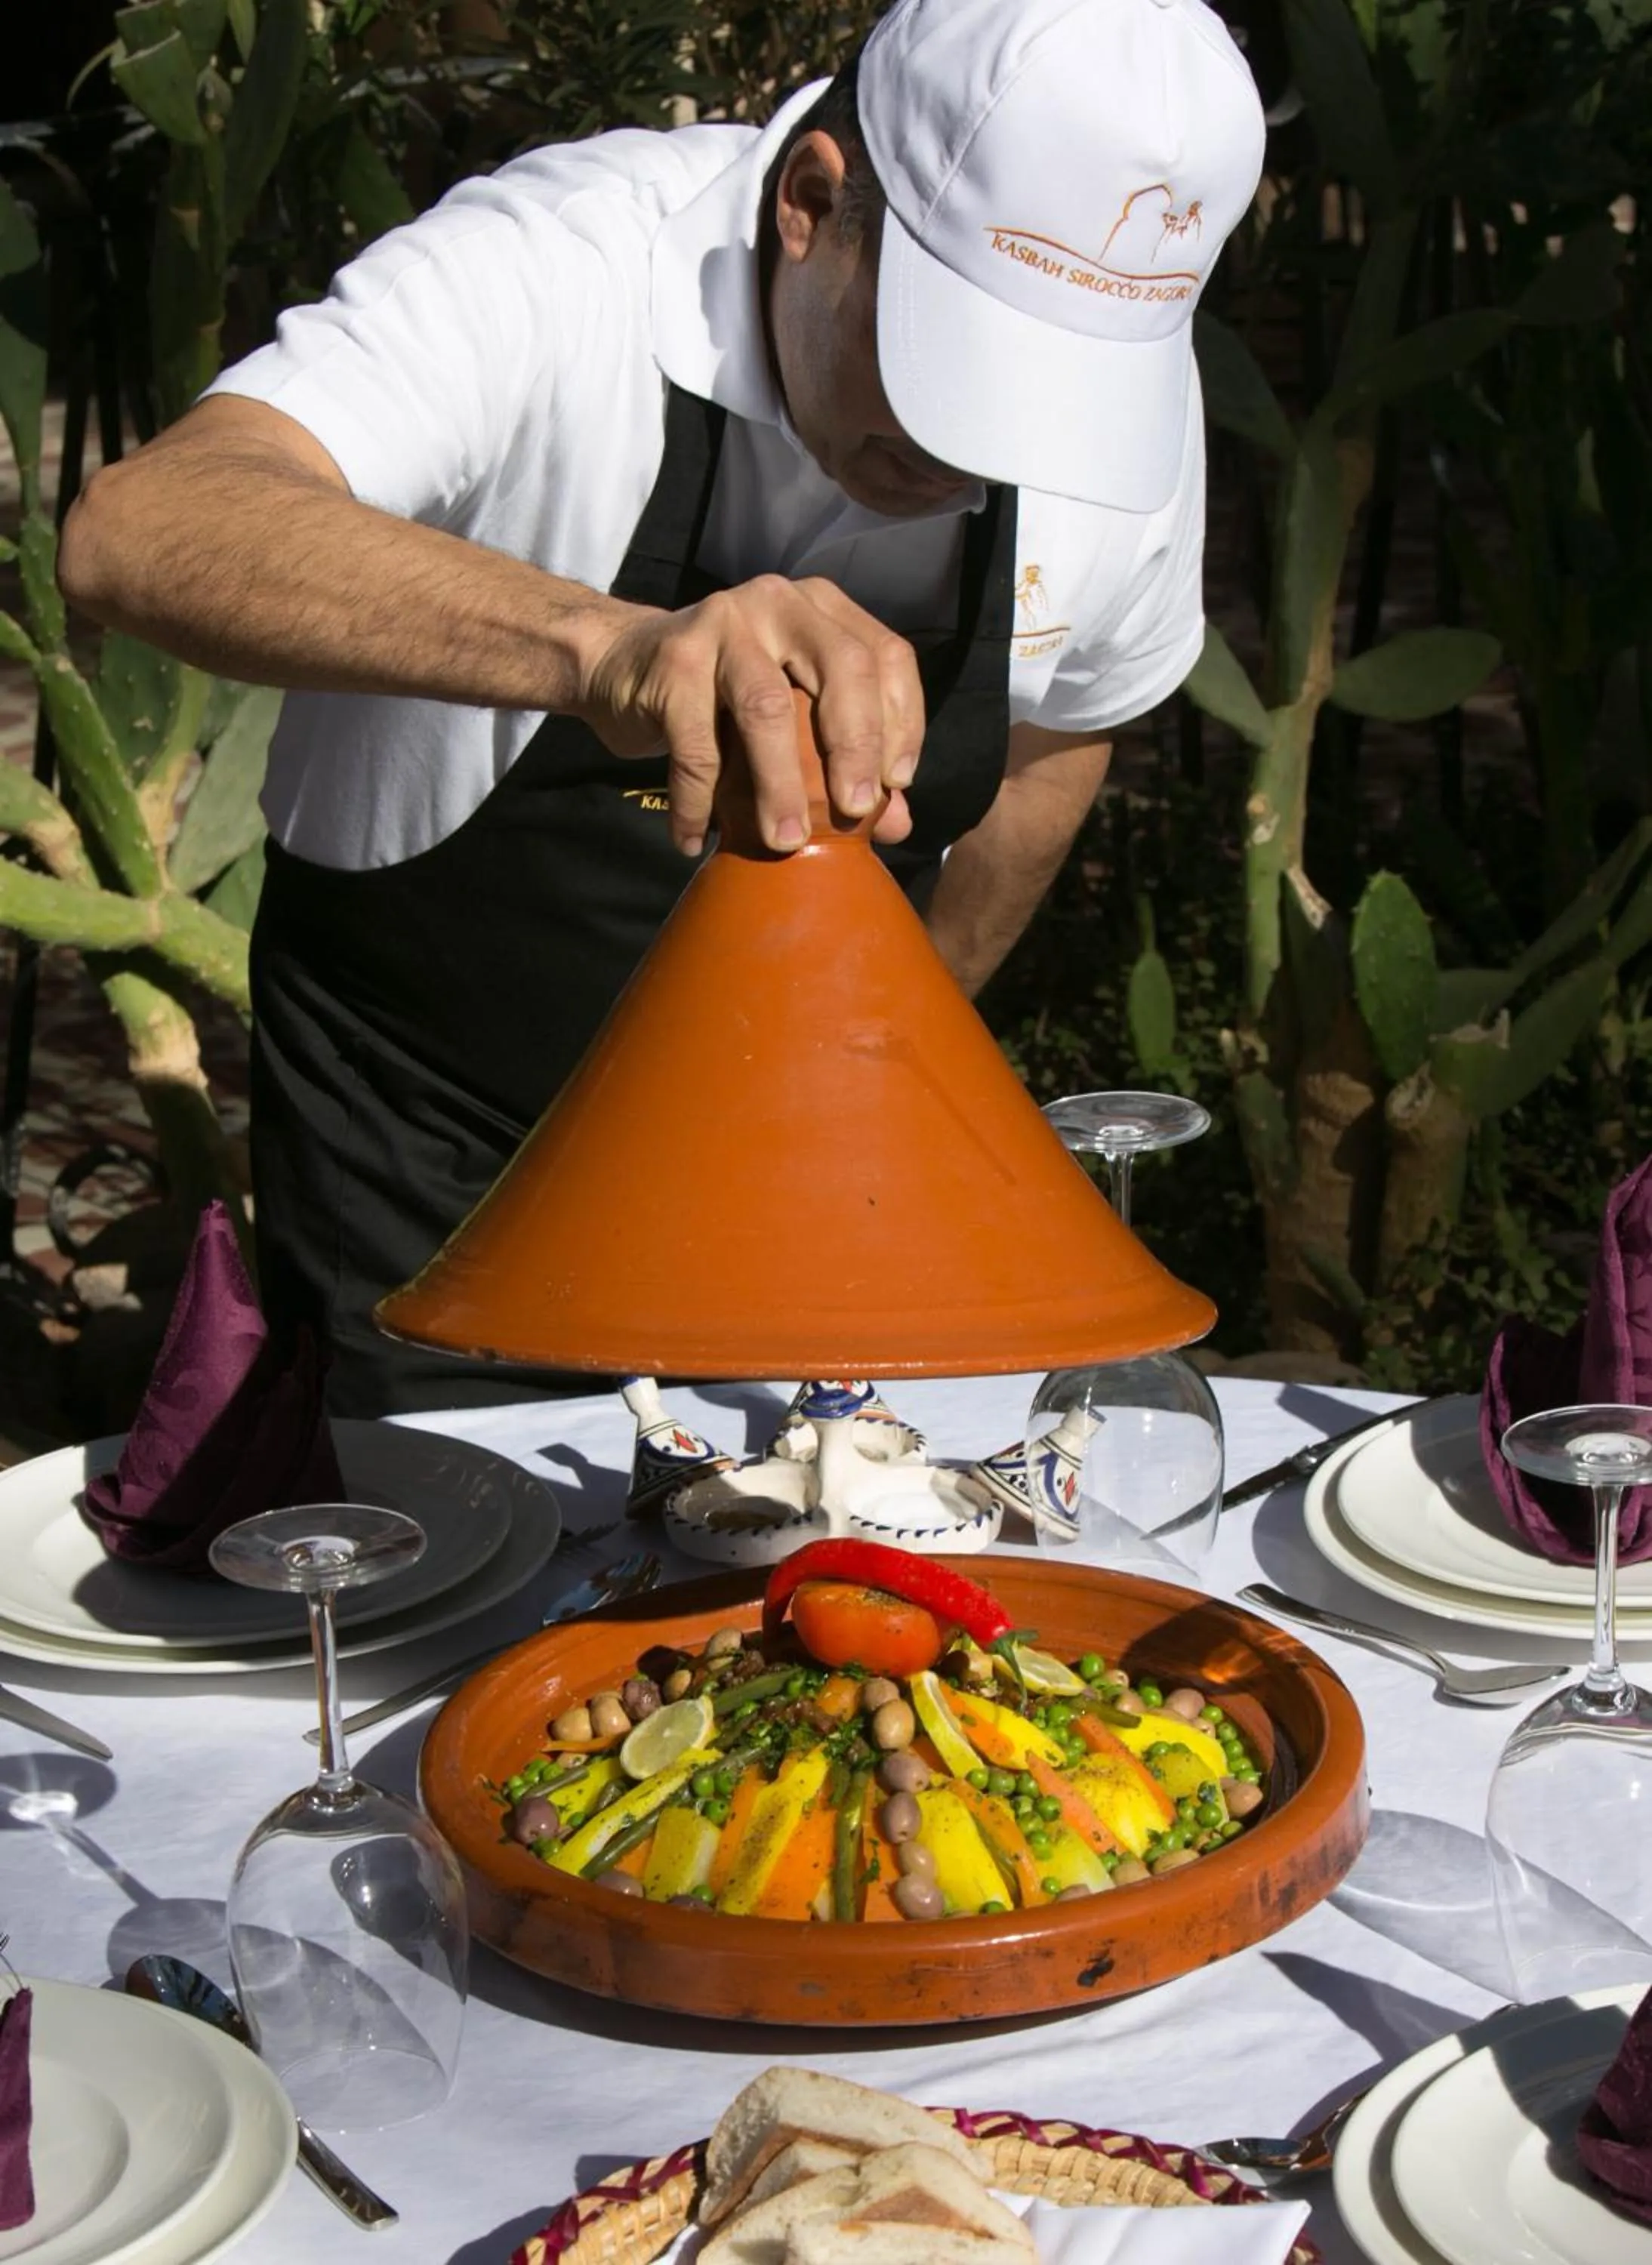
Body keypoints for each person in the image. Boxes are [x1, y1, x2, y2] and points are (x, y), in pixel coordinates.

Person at [58, 0, 1265, 1416]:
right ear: (816, 203)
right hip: (441, 1144)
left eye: (1045, 398)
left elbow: (1065, 729)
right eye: (958, 368)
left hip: (803, 1164)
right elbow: (142, 530)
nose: (980, 451)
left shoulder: (1124, 385)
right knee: (467, 1613)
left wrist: (885, 1058)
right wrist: (607, 649)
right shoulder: (558, 266)